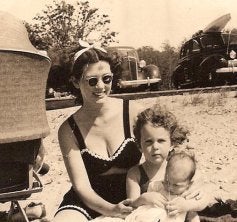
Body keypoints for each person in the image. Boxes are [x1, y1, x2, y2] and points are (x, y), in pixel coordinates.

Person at [53, 40, 143, 222]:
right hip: (88, 199)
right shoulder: (68, 130)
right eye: (92, 81)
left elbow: (164, 153)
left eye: (106, 79)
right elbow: (82, 187)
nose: (101, 86)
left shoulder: (134, 113)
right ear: (75, 82)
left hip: (134, 191)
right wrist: (111, 210)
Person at [126, 105, 211, 221]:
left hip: (178, 217)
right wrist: (143, 199)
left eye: (161, 141)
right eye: (148, 142)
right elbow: (131, 205)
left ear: (171, 143)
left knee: (193, 216)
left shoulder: (180, 167)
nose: (155, 147)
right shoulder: (135, 174)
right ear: (139, 145)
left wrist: (186, 205)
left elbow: (203, 200)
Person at [125, 151, 200, 222]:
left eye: (176, 185)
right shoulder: (157, 185)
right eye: (167, 181)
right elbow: (135, 204)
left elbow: (194, 214)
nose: (170, 187)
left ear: (188, 184)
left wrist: (185, 206)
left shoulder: (187, 196)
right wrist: (144, 198)